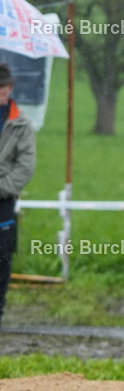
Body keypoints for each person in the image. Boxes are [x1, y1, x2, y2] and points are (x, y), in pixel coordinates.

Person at [0, 62, 36, 330]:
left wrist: (3, 188)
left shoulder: (20, 124)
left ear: (10, 88)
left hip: (3, 202)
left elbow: (25, 165)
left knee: (2, 260)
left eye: (4, 86)